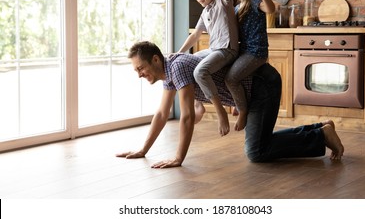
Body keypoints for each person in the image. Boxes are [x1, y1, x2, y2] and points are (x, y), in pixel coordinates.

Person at [116, 41, 344, 168]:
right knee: (260, 145)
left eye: (140, 68)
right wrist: (143, 150)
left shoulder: (177, 66)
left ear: (156, 59)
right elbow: (162, 113)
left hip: (261, 85)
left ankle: (321, 137)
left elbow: (185, 117)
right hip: (254, 88)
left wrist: (178, 158)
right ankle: (321, 129)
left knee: (256, 151)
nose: (139, 75)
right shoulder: (169, 71)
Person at [177, 0, 239, 137]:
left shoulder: (223, 1)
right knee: (187, 62)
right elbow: (195, 35)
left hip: (227, 49)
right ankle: (198, 105)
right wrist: (179, 52)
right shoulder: (206, 11)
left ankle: (220, 112)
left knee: (200, 71)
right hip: (213, 50)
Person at [225, 0, 275, 132]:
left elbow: (271, 9)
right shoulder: (238, 6)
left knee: (231, 78)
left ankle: (243, 111)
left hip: (256, 52)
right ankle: (238, 102)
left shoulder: (255, 1)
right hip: (244, 51)